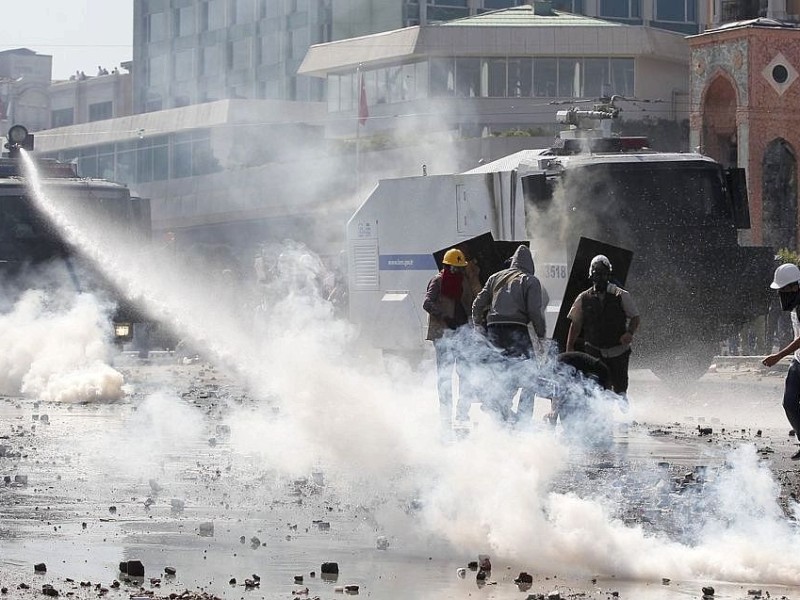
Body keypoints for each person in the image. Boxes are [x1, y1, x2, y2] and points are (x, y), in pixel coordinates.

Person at [471, 244, 546, 425]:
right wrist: (541, 336)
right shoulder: (530, 280)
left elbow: (477, 304)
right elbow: (535, 312)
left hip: (494, 332)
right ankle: (523, 419)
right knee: (530, 374)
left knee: (501, 373)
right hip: (516, 331)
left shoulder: (495, 277)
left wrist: (479, 327)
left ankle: (500, 410)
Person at [566, 255, 640, 400]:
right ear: (591, 275)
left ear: (608, 275)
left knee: (620, 389)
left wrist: (629, 333)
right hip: (594, 350)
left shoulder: (621, 295)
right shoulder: (583, 298)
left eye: (603, 274)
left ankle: (624, 414)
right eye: (596, 274)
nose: (599, 278)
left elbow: (635, 317)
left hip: (618, 350)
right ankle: (600, 418)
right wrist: (570, 347)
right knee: (595, 387)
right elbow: (576, 323)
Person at [423, 248, 477, 430]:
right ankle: (445, 415)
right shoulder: (438, 281)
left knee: (466, 375)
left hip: (462, 335)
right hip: (444, 335)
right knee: (445, 377)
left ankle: (462, 412)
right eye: (456, 268)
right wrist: (444, 315)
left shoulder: (464, 282)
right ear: (447, 266)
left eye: (461, 268)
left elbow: (471, 303)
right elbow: (427, 302)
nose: (459, 272)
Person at [762, 262, 800, 460]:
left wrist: (778, 356)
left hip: (796, 359)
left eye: (784, 290)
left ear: (795, 286)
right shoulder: (795, 303)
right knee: (789, 404)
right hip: (799, 361)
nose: (782, 295)